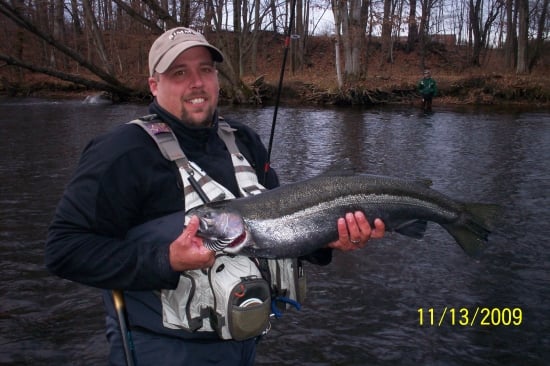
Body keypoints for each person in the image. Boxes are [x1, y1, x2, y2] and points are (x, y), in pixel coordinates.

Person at [45, 27, 385, 366]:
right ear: (154, 85)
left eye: (205, 70)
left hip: (244, 343)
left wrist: (328, 240)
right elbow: (65, 250)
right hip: (163, 350)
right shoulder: (121, 152)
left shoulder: (244, 140)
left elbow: (279, 229)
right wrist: (166, 260)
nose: (196, 82)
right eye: (179, 72)